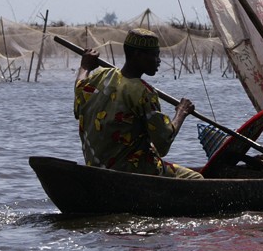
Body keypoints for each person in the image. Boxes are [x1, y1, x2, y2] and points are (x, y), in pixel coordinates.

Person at [73, 28, 202, 179]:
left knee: (149, 148)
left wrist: (85, 67)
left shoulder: (100, 77)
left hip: (98, 168)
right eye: (154, 55)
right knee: (196, 178)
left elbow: (79, 86)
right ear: (138, 55)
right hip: (133, 171)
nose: (158, 61)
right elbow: (163, 142)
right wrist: (181, 112)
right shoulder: (143, 92)